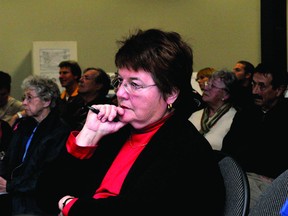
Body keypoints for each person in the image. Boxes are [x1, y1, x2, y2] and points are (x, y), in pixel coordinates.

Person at [36, 28, 225, 215]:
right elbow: (45, 192)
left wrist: (69, 205)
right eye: (120, 82)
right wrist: (87, 137)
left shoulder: (184, 147)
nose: (120, 93)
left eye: (134, 85)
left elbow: (132, 210)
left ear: (170, 93)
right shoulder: (118, 131)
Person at [0, 75, 71, 215]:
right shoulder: (23, 125)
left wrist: (9, 186)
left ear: (46, 101)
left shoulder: (59, 131)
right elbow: (9, 159)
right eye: (24, 97)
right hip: (14, 196)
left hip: (38, 202)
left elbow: (47, 175)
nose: (24, 103)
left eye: (30, 97)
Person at [222, 63, 288, 209]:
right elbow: (228, 149)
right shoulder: (245, 114)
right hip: (241, 178)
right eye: (253, 84)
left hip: (274, 184)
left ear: (279, 90)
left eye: (262, 86)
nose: (254, 91)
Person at [189, 69, 239, 150]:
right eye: (207, 84)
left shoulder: (235, 119)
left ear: (225, 94)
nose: (206, 88)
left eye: (213, 86)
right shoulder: (195, 115)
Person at [58, 60, 83, 128]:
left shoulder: (83, 97)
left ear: (76, 76)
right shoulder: (59, 98)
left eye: (65, 73)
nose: (60, 76)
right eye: (60, 73)